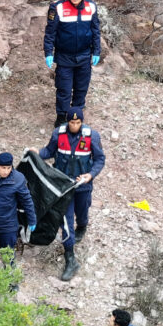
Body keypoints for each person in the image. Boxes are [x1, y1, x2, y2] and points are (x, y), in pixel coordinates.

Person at [31, 107, 105, 280]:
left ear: (81, 122)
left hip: (82, 185)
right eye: (72, 122)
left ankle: (83, 226)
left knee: (82, 212)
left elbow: (100, 159)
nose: (74, 125)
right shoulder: (58, 134)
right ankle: (70, 258)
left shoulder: (91, 136)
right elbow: (49, 151)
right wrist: (37, 153)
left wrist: (90, 175)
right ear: (67, 122)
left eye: (77, 122)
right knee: (65, 222)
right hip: (63, 186)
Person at [43, 0, 100, 128]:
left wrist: (97, 51)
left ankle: (76, 117)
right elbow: (50, 33)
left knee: (81, 88)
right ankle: (61, 118)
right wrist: (49, 52)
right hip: (64, 57)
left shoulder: (91, 7)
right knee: (64, 90)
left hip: (84, 56)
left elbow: (95, 31)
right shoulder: (57, 7)